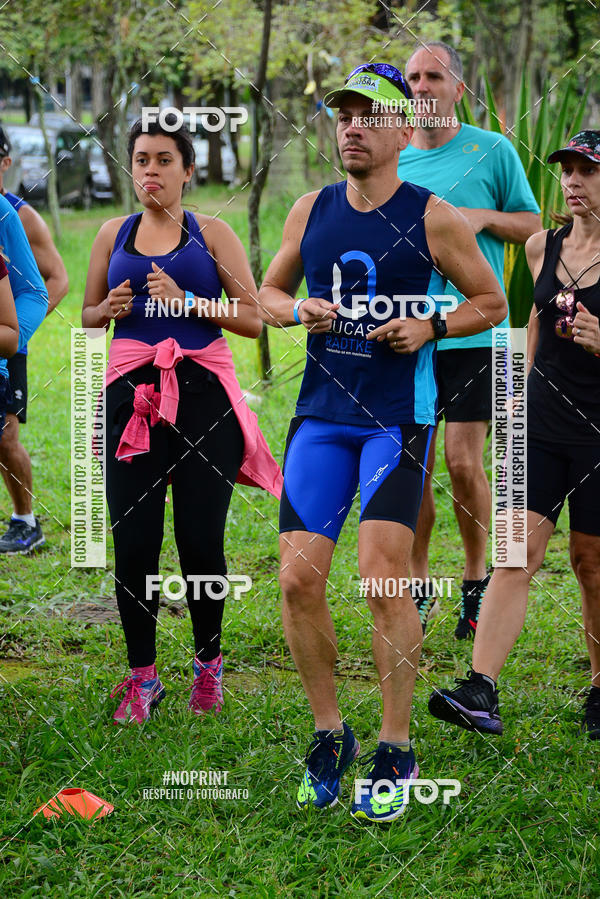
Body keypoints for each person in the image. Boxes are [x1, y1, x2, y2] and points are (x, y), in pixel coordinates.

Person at [258, 62, 506, 822]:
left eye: (369, 115)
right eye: (343, 115)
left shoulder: (434, 215)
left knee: (381, 579)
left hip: (398, 418)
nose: (353, 126)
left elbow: (491, 301)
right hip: (321, 415)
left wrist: (431, 325)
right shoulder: (310, 209)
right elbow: (265, 295)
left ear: (403, 128)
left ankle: (396, 744)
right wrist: (298, 307)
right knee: (298, 580)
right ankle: (330, 733)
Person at [82, 115, 282, 725]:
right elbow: (88, 319)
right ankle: (142, 677)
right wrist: (108, 307)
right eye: (142, 159)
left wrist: (188, 302)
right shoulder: (110, 234)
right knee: (133, 541)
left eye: (165, 160)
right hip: (130, 400)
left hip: (203, 399)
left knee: (201, 541)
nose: (151, 171)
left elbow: (253, 318)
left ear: (188, 170)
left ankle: (208, 669)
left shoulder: (212, 233)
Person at [428, 130, 600, 741]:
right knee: (514, 555)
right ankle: (480, 690)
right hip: (541, 424)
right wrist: (515, 399)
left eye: (588, 171)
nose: (574, 181)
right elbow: (531, 322)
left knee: (590, 563)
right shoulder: (539, 247)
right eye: (568, 170)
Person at [397, 42, 542, 637]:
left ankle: (476, 579)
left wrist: (480, 220)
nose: (423, 87)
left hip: (476, 330)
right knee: (415, 464)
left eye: (435, 76)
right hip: (406, 333)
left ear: (459, 87)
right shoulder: (393, 159)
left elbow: (533, 225)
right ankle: (420, 582)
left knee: (462, 461)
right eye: (413, 78)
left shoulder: (493, 150)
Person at [0, 124, 68, 553]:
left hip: (9, 341)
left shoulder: (16, 213)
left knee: (6, 438)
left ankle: (26, 520)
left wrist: (12, 337)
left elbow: (54, 281)